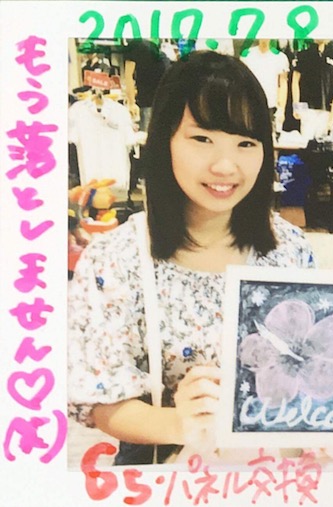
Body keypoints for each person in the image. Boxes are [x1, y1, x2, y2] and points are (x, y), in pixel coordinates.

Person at [68, 51, 316, 465]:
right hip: (169, 475)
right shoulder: (116, 259)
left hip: (275, 476)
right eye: (202, 139)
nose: (226, 165)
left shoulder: (289, 249)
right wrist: (178, 423)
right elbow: (101, 398)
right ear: (164, 139)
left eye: (246, 143)